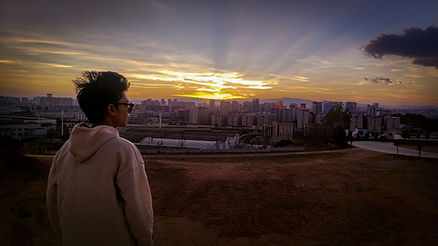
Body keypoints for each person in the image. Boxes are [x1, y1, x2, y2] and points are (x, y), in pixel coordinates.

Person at [46, 71, 153, 246]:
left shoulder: (64, 150)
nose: (129, 110)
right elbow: (139, 212)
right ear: (111, 109)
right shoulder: (123, 150)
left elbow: (52, 203)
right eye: (127, 105)